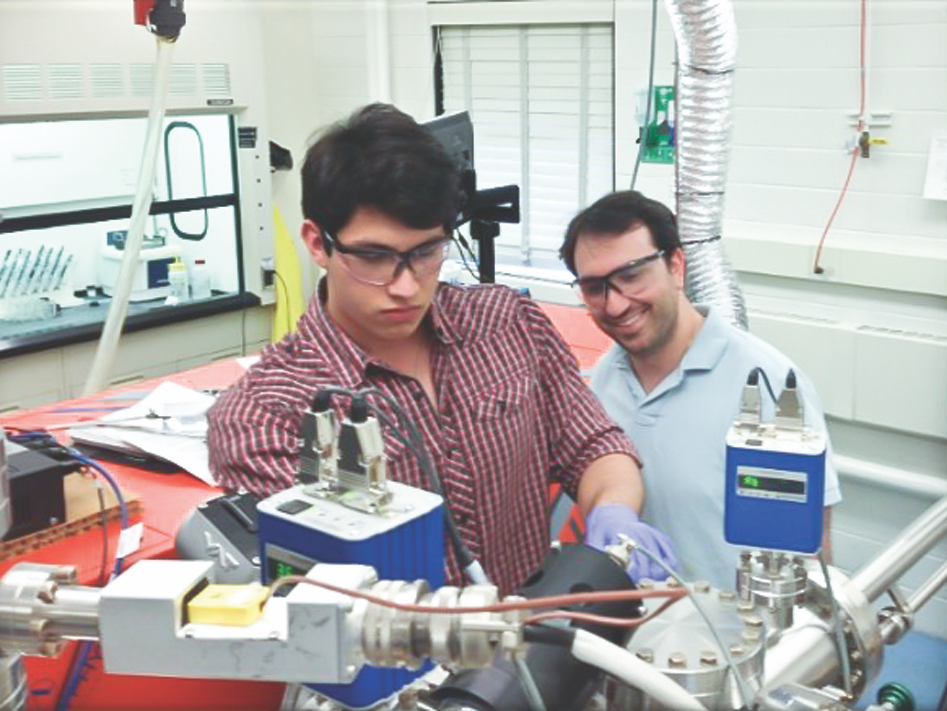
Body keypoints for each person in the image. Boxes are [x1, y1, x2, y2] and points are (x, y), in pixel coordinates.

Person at [207, 104, 675, 594]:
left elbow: (594, 446)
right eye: (374, 256)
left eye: (426, 252)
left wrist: (616, 512)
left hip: (537, 644)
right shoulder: (266, 416)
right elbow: (322, 595)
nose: (406, 286)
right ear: (318, 244)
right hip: (395, 664)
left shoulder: (507, 325)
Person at [559, 190, 842, 589]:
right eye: (594, 287)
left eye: (632, 275)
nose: (616, 305)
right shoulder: (604, 378)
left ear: (676, 265)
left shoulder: (769, 383)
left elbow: (811, 547)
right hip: (632, 632)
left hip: (736, 638)